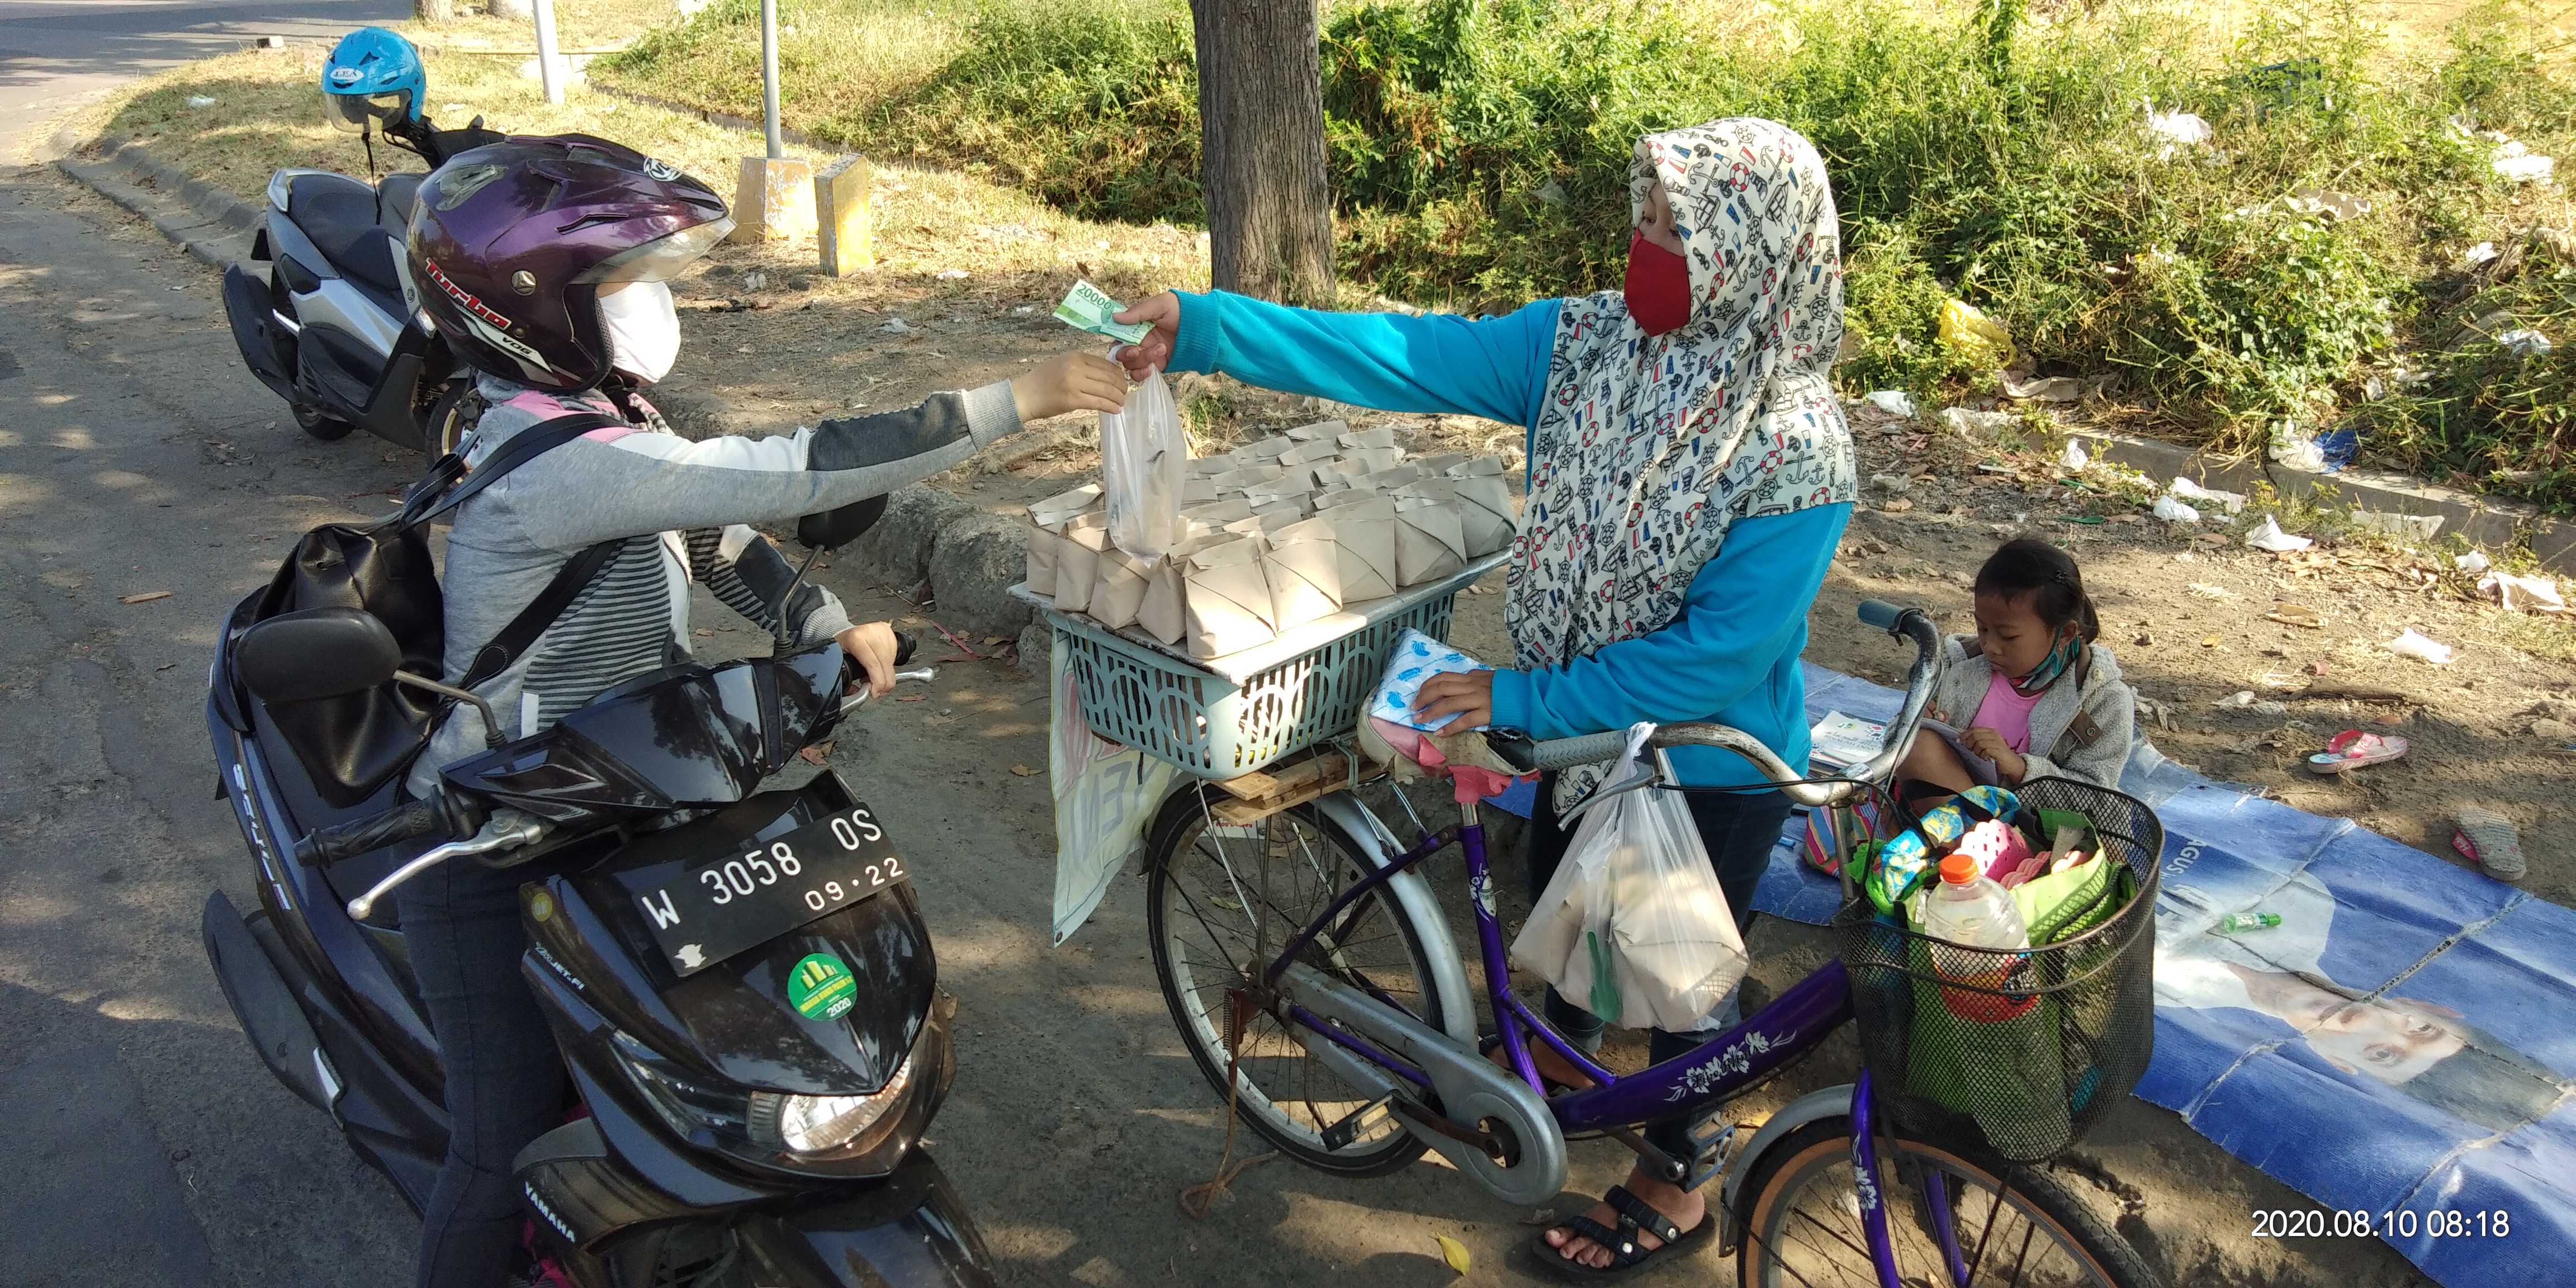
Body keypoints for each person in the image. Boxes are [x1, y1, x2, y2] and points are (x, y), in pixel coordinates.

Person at [1114, 117, 1854, 1276]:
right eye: (1643, 220)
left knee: (1683, 993)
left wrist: (1524, 693)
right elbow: (1404, 356)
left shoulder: (1797, 446)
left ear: (1759, 257)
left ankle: (1676, 1183)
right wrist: (1206, 327)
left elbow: (1713, 658)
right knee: (1569, 937)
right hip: (1563, 744)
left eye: (1677, 235)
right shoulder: (1584, 346)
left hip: (1701, 765)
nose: (1643, 252)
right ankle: (1551, 1085)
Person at [396, 135, 1126, 1288]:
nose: (646, 308)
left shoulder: (599, 419)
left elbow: (702, 530)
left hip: (633, 801)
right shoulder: (555, 458)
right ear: (525, 310)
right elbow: (782, 471)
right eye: (617, 288)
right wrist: (1013, 399)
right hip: (496, 842)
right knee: (502, 1148)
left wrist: (817, 618)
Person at [1895, 538, 2136, 794]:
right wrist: (1918, 719)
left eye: (2009, 637)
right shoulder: (1958, 666)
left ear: (2064, 633)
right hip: (1949, 814)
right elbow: (1894, 746)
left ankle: (1986, 835)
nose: (1990, 646)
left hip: (2031, 828)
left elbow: (2099, 800)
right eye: (1982, 628)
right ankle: (1970, 834)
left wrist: (2019, 768)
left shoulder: (2103, 701)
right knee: (1918, 744)